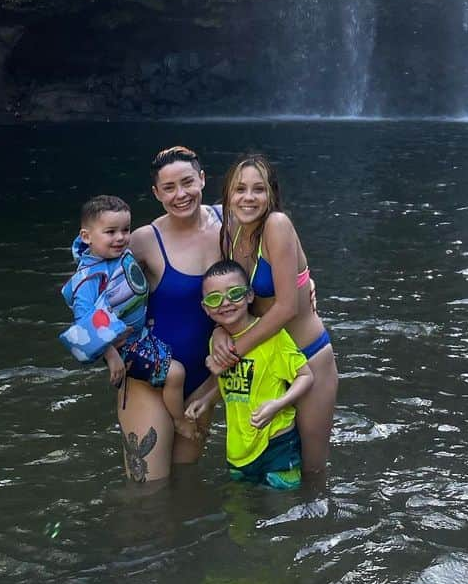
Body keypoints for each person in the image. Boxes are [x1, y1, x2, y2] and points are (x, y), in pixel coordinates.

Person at [209, 153, 338, 476]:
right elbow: (234, 298)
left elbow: (286, 307)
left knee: (312, 470)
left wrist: (232, 352)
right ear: (227, 195)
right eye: (240, 189)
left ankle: (314, 526)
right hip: (266, 366)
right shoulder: (230, 232)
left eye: (258, 189)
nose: (248, 197)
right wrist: (219, 331)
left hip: (307, 361)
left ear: (272, 196)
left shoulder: (277, 225)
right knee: (271, 464)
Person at [117, 145, 224, 484]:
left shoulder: (231, 223)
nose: (181, 195)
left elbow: (274, 260)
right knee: (147, 491)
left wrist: (305, 280)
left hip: (206, 378)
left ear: (203, 179)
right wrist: (109, 352)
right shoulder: (144, 240)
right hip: (150, 378)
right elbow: (91, 289)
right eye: (169, 188)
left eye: (188, 182)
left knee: (187, 480)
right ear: (156, 193)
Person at [59, 194, 194, 445]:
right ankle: (179, 421)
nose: (120, 238)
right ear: (87, 236)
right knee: (176, 373)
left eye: (125, 230)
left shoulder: (115, 257)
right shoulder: (88, 280)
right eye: (110, 232)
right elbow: (84, 325)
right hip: (122, 346)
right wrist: (111, 357)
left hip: (139, 334)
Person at [185, 259, 313, 489]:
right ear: (205, 307)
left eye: (234, 293)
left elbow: (305, 376)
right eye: (214, 299)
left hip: (278, 443)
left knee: (283, 513)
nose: (225, 303)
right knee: (240, 513)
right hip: (239, 449)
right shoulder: (217, 343)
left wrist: (278, 404)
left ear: (249, 296)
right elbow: (234, 383)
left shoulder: (272, 336)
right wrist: (206, 401)